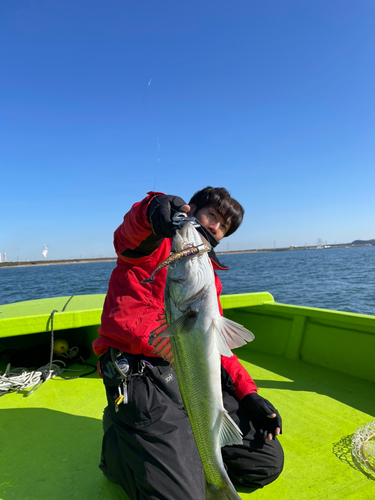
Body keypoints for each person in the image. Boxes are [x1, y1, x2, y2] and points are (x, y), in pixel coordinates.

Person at [92, 187, 284, 500]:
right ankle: (118, 448)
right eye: (211, 216)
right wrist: (153, 209)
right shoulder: (151, 248)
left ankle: (181, 447)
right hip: (144, 375)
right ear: (190, 210)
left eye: (224, 227)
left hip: (188, 368)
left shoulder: (207, 278)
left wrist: (248, 393)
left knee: (264, 463)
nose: (215, 228)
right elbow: (128, 235)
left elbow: (215, 344)